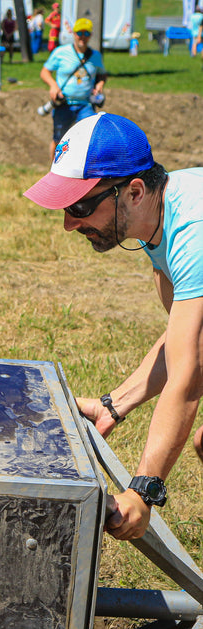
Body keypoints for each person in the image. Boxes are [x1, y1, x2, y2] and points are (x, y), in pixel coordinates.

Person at [23, 112, 203, 541]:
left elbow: (188, 375)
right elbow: (185, 339)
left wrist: (144, 490)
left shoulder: (193, 232)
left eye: (80, 206)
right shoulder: (158, 217)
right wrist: (114, 405)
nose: (69, 223)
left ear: (134, 192)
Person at [40, 17, 106, 154]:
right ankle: (54, 172)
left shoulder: (96, 56)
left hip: (86, 105)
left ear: (91, 35)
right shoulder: (61, 52)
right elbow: (45, 72)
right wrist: (53, 86)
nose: (82, 37)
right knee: (59, 140)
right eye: (79, 33)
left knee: (89, 140)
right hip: (64, 104)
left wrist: (100, 84)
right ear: (73, 34)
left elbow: (102, 74)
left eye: (86, 33)